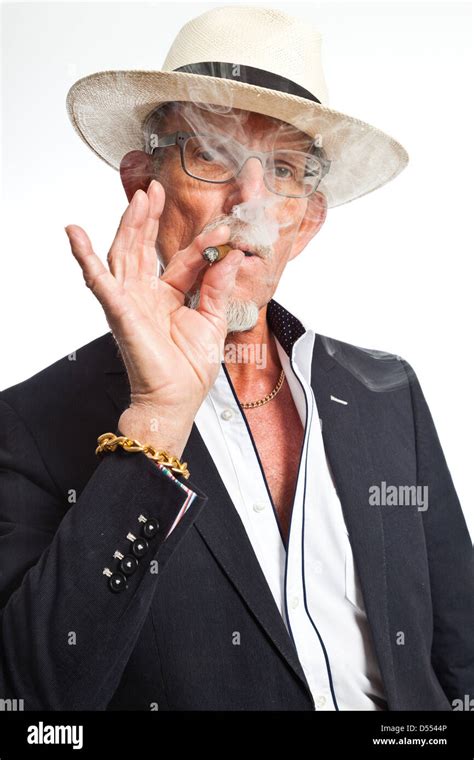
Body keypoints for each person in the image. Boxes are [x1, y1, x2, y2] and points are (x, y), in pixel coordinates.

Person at [0, 5, 472, 712]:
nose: (248, 203)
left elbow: (459, 656)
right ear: (142, 185)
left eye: (282, 169)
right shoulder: (31, 424)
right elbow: (31, 705)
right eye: (211, 154)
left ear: (306, 222)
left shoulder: (386, 391)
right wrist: (157, 424)